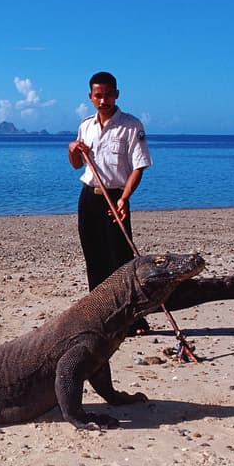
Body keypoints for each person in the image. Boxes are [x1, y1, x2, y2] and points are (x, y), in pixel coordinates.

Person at [68, 71, 152, 335]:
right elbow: (77, 165)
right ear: (90, 97)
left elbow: (138, 167)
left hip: (115, 197)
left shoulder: (131, 126)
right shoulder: (86, 125)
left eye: (107, 95)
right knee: (94, 258)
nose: (103, 100)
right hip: (89, 197)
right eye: (98, 95)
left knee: (122, 260)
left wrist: (125, 199)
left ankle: (133, 319)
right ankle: (99, 318)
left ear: (116, 94)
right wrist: (72, 150)